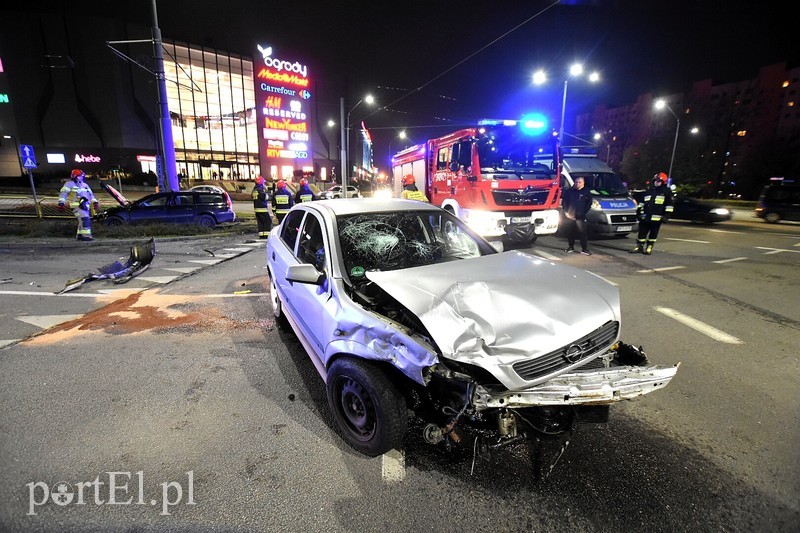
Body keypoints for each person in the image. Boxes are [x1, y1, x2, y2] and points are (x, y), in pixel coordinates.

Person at [631, 172, 674, 255]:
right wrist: (638, 213)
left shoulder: (666, 192)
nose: (656, 182)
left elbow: (669, 205)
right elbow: (642, 203)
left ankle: (649, 247)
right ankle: (639, 247)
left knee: (653, 233)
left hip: (657, 218)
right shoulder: (649, 191)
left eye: (658, 181)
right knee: (642, 233)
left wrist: (666, 216)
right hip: (645, 217)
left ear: (663, 182)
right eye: (655, 180)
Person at [58, 168, 99, 242]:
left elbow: (90, 195)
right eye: (79, 176)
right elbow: (63, 194)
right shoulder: (69, 184)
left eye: (82, 176)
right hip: (76, 206)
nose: (81, 177)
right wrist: (61, 203)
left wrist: (95, 202)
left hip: (85, 206)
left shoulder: (85, 185)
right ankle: (86, 236)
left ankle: (80, 235)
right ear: (74, 176)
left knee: (82, 220)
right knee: (85, 219)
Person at [561, 176, 593, 255]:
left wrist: (583, 212)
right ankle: (570, 247)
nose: (577, 184)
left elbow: (589, 203)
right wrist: (566, 212)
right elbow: (564, 202)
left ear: (583, 183)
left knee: (582, 233)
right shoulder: (569, 191)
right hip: (570, 216)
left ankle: (584, 249)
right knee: (570, 232)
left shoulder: (586, 192)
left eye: (579, 182)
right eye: (576, 182)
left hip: (581, 216)